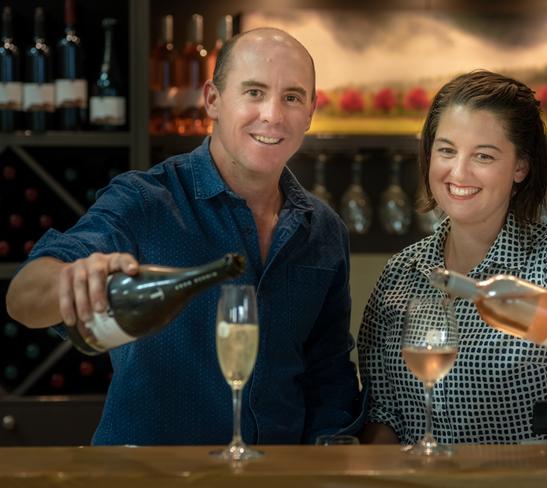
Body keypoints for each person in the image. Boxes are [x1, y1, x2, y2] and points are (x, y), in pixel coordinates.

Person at [6, 28, 362, 445]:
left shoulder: (324, 231)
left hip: (278, 475)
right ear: (212, 99)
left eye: (292, 97)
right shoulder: (143, 200)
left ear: (311, 111)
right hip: (149, 475)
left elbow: (329, 374)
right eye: (254, 92)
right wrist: (70, 282)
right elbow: (23, 298)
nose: (273, 115)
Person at [358, 70, 547, 445]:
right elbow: (382, 418)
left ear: (520, 167)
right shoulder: (400, 275)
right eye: (446, 150)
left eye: (483, 155)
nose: (458, 171)